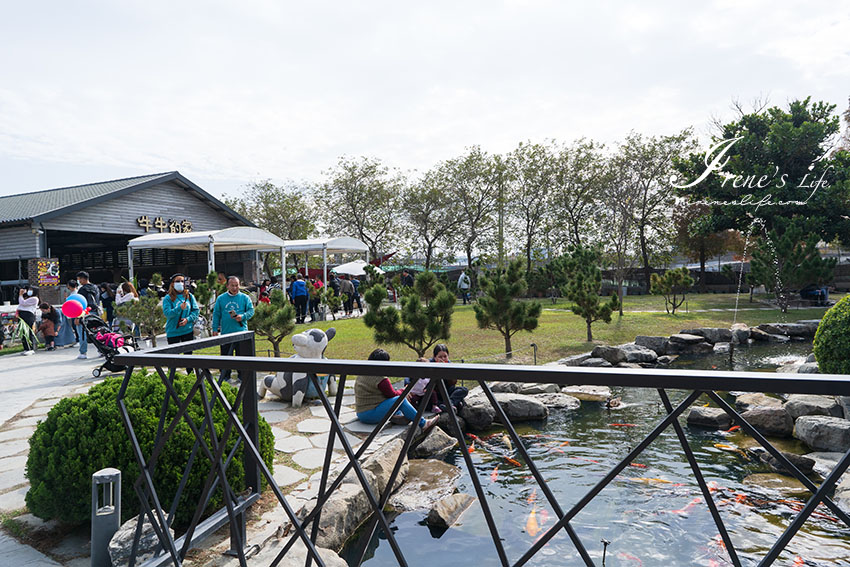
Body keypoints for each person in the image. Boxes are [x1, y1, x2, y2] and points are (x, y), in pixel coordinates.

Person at [355, 349, 439, 434]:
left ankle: (398, 417)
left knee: (397, 400)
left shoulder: (363, 372)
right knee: (400, 400)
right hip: (370, 414)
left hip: (361, 413)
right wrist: (404, 390)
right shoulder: (380, 379)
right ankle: (424, 424)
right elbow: (392, 395)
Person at [212, 276, 255, 383]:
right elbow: (216, 314)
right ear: (227, 286)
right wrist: (215, 329)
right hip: (226, 333)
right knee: (226, 356)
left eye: (237, 285)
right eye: (233, 285)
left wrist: (243, 316)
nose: (235, 288)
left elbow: (251, 311)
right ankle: (225, 377)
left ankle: (242, 376)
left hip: (241, 332)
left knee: (242, 356)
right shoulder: (221, 298)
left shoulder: (245, 298)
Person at [430, 344, 468, 413]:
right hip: (436, 394)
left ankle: (449, 404)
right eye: (440, 357)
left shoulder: (450, 365)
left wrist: (446, 370)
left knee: (463, 390)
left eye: (445, 356)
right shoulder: (429, 364)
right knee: (430, 400)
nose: (443, 359)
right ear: (435, 357)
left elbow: (453, 382)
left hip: (448, 392)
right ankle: (450, 405)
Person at [75, 271, 100, 360]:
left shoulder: (82, 289)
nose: (79, 281)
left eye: (79, 279)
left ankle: (83, 353)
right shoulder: (96, 287)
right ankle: (101, 350)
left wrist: (78, 316)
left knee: (82, 333)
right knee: (96, 332)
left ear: (82, 279)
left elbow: (80, 304)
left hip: (84, 313)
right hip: (95, 313)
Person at [16, 286, 39, 355]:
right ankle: (26, 348)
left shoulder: (35, 298)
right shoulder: (27, 298)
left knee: (28, 332)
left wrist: (20, 295)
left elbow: (23, 303)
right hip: (22, 315)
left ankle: (30, 348)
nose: (29, 291)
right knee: (23, 332)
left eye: (31, 290)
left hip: (28, 316)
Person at [66, 279, 80, 345]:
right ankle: (78, 339)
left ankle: (79, 340)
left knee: (76, 326)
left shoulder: (76, 293)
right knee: (74, 326)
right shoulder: (72, 293)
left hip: (76, 311)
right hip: (73, 311)